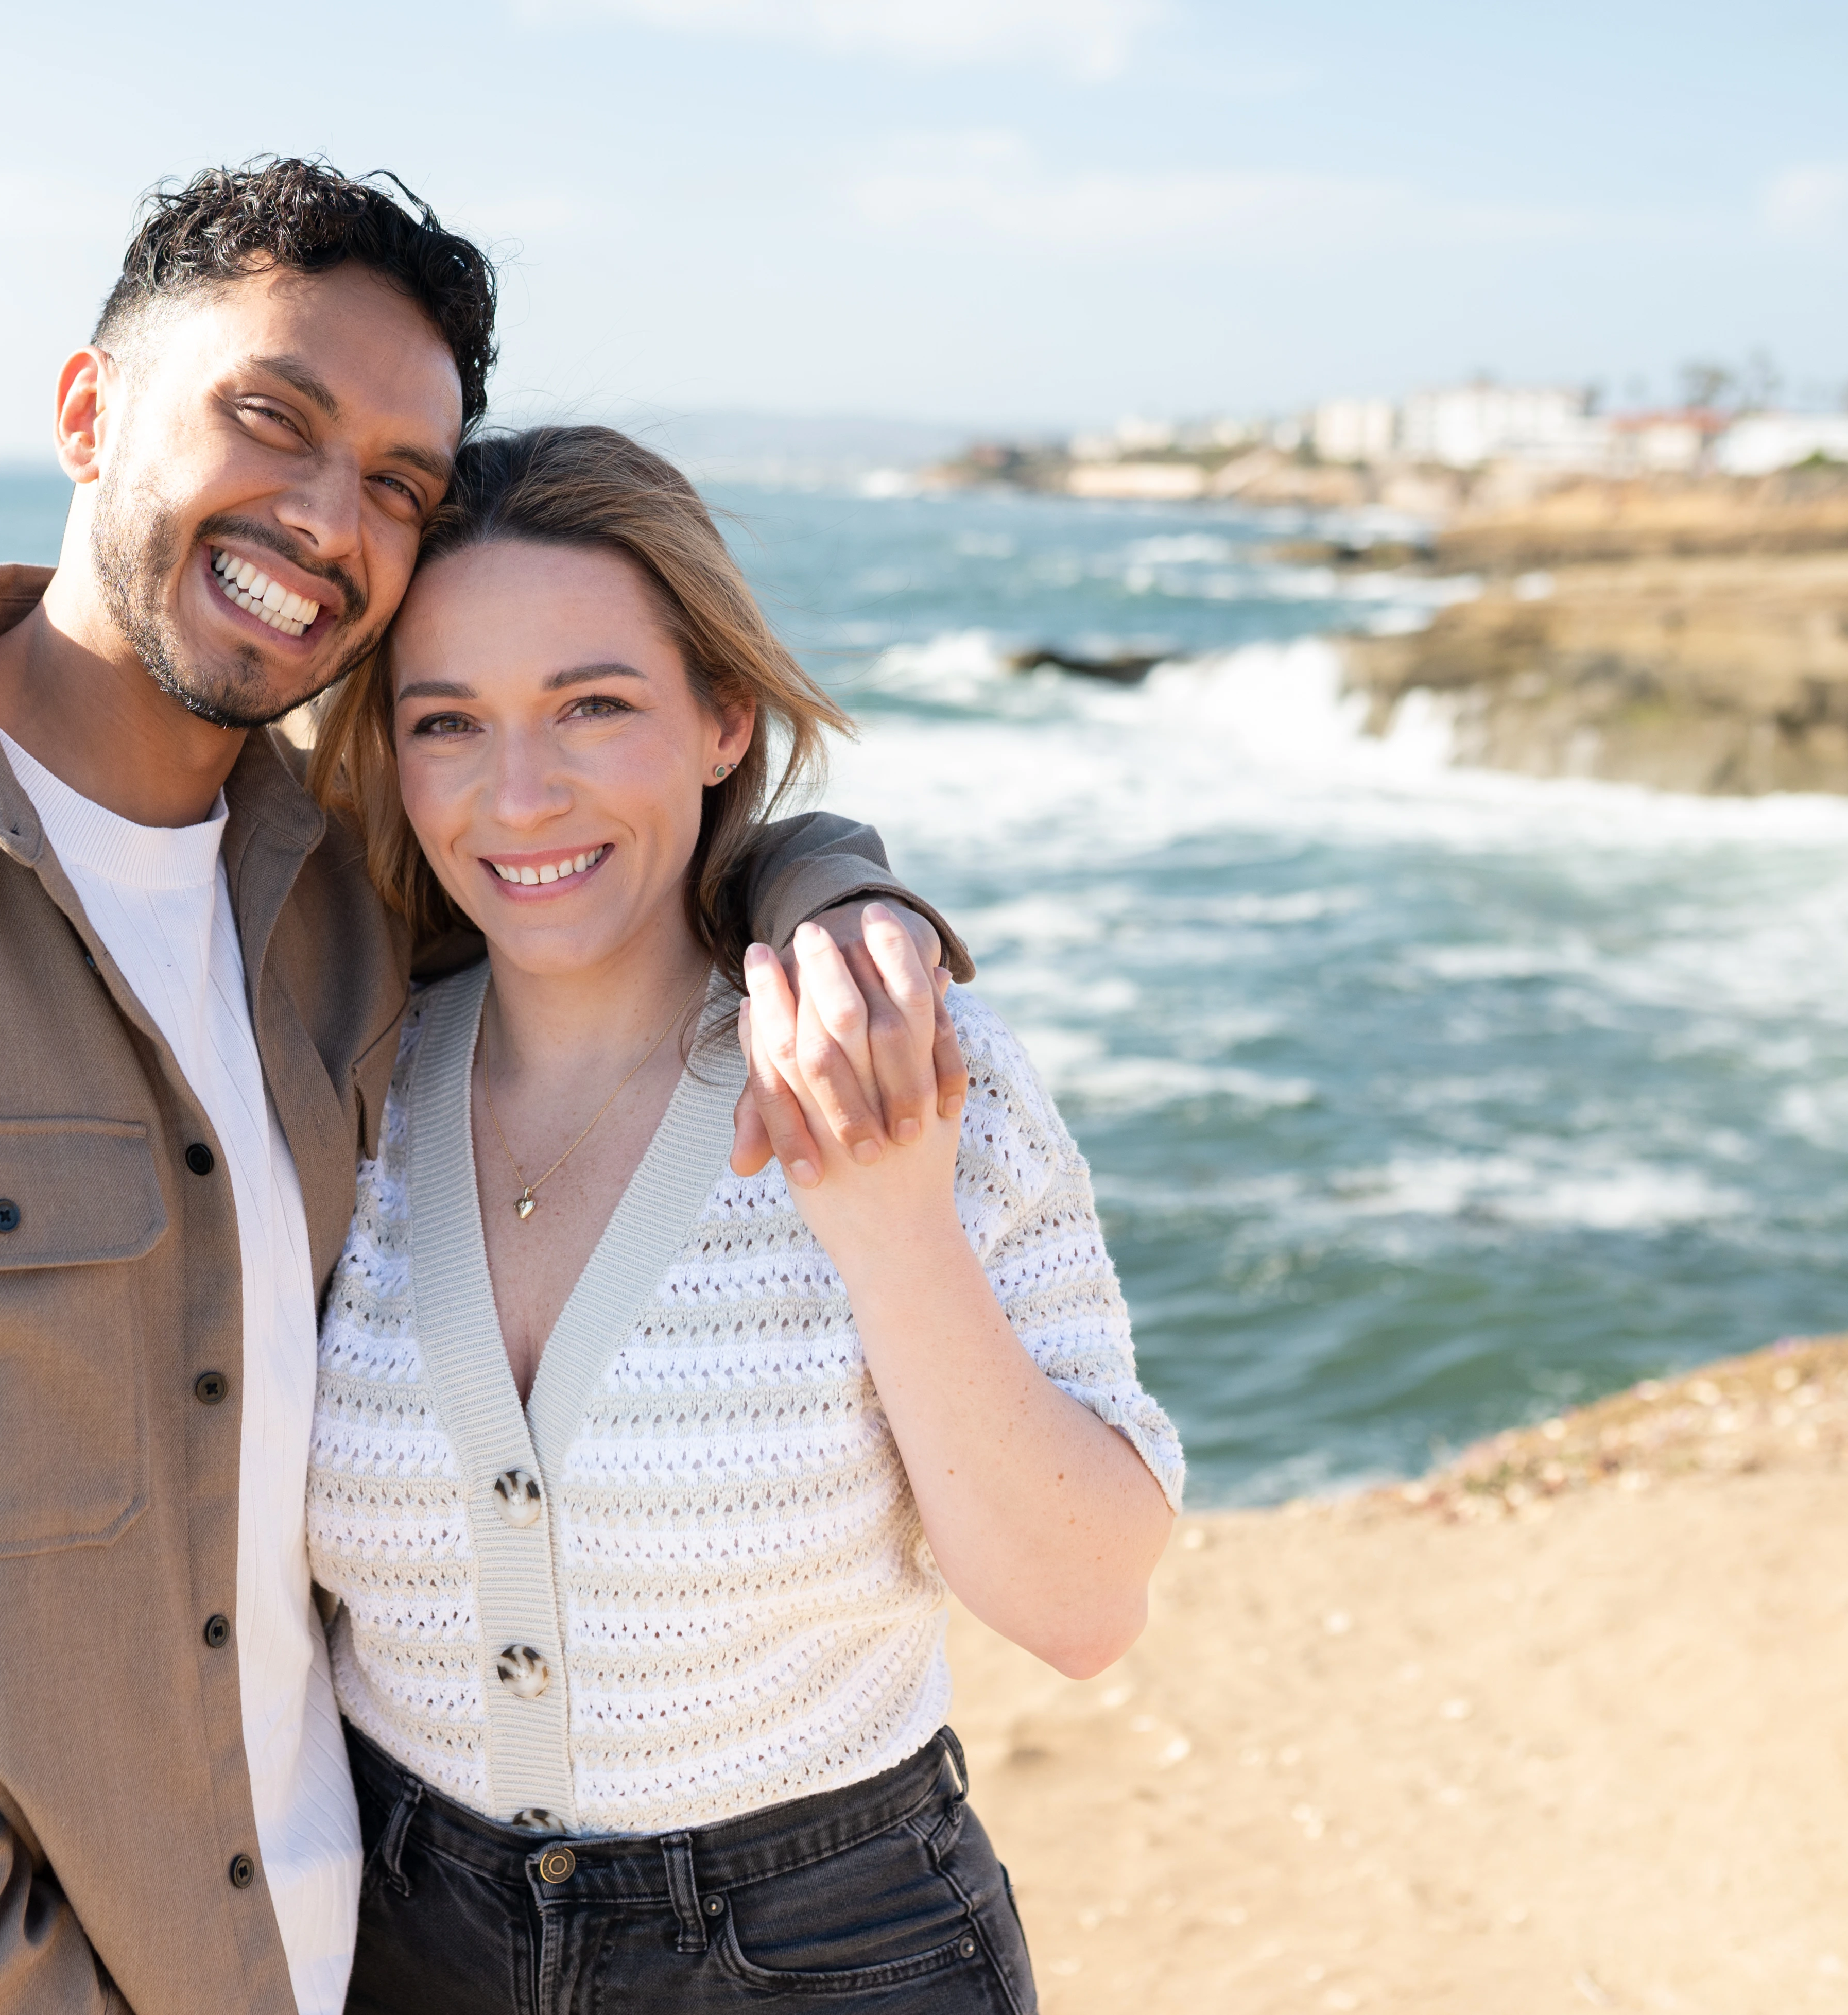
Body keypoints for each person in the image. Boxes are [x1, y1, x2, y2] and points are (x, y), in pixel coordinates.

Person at [0, 163, 963, 2015]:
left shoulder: (345, 897)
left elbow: (603, 874)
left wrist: (821, 885)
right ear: (86, 409)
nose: (323, 517)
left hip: (358, 1955)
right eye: (271, 418)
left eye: (394, 485)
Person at [302, 425, 1185, 2013]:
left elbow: (1083, 1608)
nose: (521, 795)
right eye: (450, 724)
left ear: (725, 717)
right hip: (393, 1939)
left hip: (826, 1951)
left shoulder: (911, 1061)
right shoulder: (330, 1088)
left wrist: (889, 1219)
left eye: (594, 706)